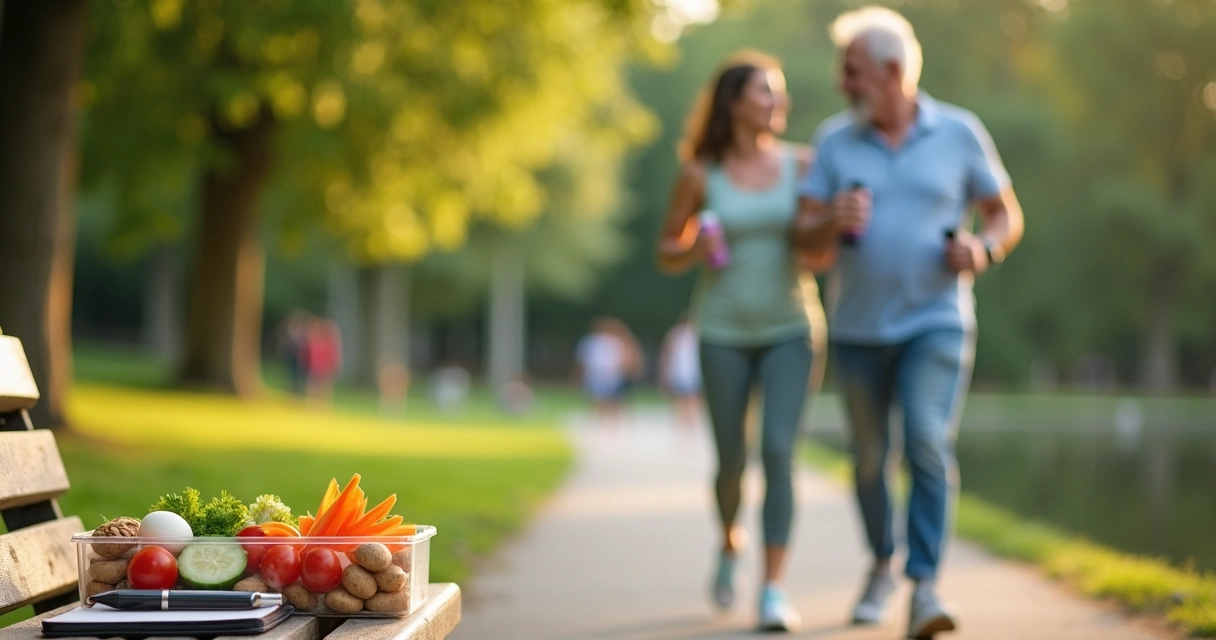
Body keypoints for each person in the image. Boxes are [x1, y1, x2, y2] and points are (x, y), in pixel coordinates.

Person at [793, 7, 1025, 638]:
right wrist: (827, 221)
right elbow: (807, 248)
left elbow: (1004, 214)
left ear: (892, 72)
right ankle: (880, 564)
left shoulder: (959, 132)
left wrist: (984, 250)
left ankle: (925, 588)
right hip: (856, 328)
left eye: (853, 73)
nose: (842, 84)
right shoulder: (835, 141)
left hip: (937, 320)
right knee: (870, 459)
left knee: (925, 441)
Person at [656, 50, 828, 632]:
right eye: (765, 92)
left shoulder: (803, 164)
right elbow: (666, 249)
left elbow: (819, 249)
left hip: (791, 328)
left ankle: (774, 588)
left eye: (779, 93)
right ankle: (730, 543)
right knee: (732, 461)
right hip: (723, 332)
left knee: (779, 452)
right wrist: (693, 249)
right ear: (733, 104)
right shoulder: (700, 173)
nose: (777, 102)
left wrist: (834, 227)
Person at [574, 318, 631, 425]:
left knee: (611, 401)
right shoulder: (591, 341)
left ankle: (609, 425)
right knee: (597, 401)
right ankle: (599, 424)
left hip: (611, 375)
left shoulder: (614, 341)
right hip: (598, 374)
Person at [658, 314, 702, 429]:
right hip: (681, 371)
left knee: (690, 398)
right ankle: (686, 423)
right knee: (684, 398)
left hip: (690, 371)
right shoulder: (677, 334)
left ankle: (688, 422)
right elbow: (667, 354)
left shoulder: (695, 333)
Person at [304, 317, 343, 406]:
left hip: (325, 369)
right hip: (315, 367)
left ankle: (323, 406)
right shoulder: (316, 341)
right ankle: (313, 406)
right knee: (313, 389)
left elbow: (334, 357)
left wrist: (333, 368)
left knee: (324, 390)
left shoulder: (329, 343)